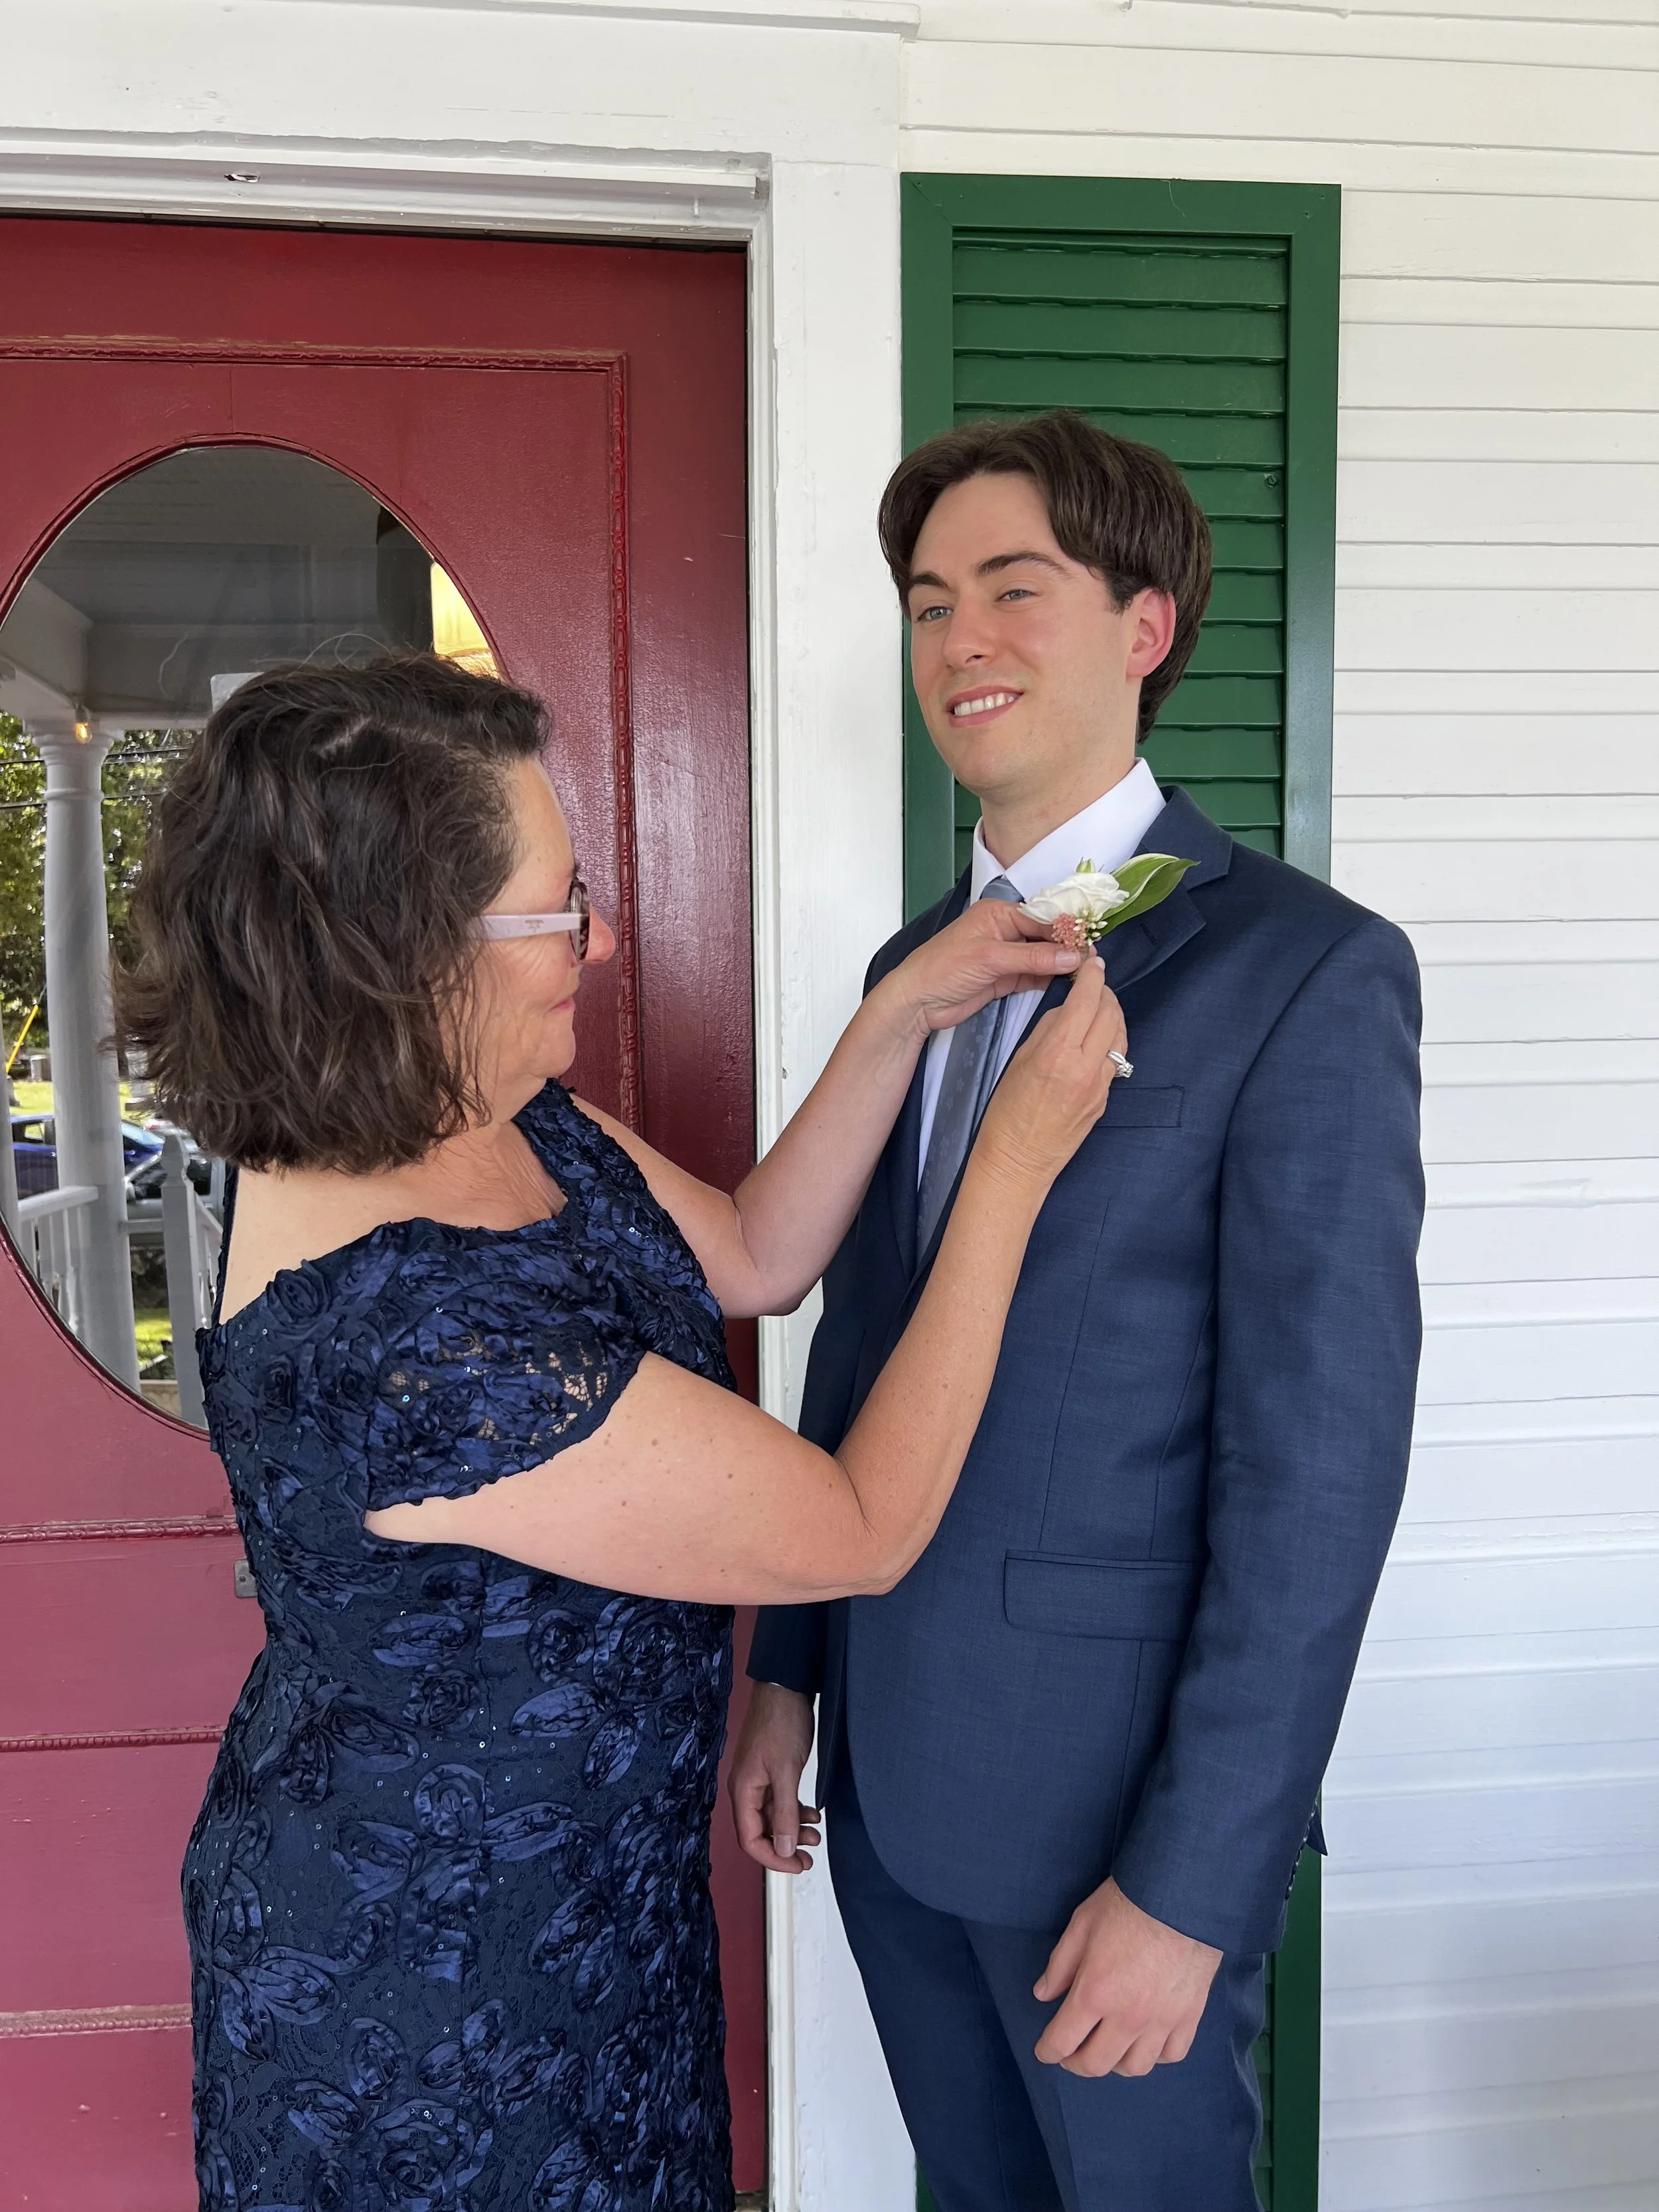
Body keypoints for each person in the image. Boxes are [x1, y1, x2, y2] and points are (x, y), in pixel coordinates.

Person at [112, 654, 1125, 2211]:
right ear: (405, 955)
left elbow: (754, 1254)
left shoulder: (489, 1108)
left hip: (588, 1899)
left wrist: (906, 1006)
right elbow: (858, 1525)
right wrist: (1012, 1166)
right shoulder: (409, 1341)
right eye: (558, 907)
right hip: (437, 1989)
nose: (600, 936)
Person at [731, 410, 1425, 2211]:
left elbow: (1317, 1472)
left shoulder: (1306, 972)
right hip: (888, 1780)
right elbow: (861, 1329)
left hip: (1113, 1826)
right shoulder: (915, 971)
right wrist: (788, 1676)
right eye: (927, 599)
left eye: (1012, 588)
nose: (960, 640)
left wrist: (1196, 1880)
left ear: (1143, 625)